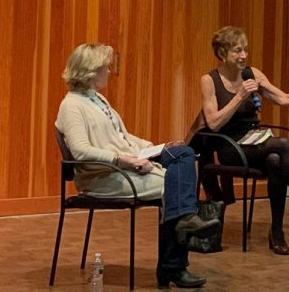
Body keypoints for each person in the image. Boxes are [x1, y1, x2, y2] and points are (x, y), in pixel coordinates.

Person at [56, 43, 216, 289]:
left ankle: (185, 221)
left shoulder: (98, 99)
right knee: (174, 186)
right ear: (89, 71)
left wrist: (157, 147)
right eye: (104, 68)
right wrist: (123, 159)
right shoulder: (72, 106)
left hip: (127, 165)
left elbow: (123, 137)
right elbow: (81, 151)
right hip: (104, 177)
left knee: (183, 153)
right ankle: (173, 266)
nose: (108, 72)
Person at [198, 26, 289, 255]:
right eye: (237, 50)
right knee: (281, 145)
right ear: (222, 53)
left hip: (256, 141)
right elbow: (213, 122)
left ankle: (277, 232)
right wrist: (239, 96)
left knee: (275, 160)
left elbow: (282, 98)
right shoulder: (210, 80)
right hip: (231, 146)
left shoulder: (252, 74)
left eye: (246, 50)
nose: (243, 56)